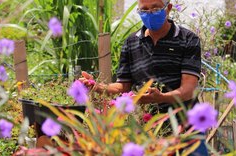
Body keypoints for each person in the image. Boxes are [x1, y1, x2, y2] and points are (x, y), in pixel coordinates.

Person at [80, 0, 208, 155]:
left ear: (168, 8)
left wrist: (160, 97)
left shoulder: (188, 39)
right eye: (144, 10)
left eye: (155, 8)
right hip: (148, 126)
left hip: (186, 126)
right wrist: (97, 86)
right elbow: (123, 86)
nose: (149, 14)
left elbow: (188, 90)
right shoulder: (131, 43)